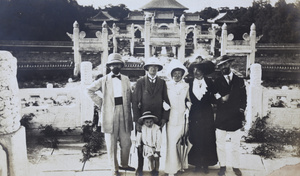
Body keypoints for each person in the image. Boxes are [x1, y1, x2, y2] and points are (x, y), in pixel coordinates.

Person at [86, 53, 135, 176]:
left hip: (124, 112)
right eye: (113, 64)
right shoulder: (104, 80)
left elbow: (131, 95)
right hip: (109, 113)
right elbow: (89, 90)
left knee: (126, 141)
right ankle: (114, 168)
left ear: (121, 65)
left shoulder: (126, 79)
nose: (115, 66)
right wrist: (102, 103)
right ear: (109, 66)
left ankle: (124, 164)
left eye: (117, 64)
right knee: (111, 142)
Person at [132, 56, 170, 176]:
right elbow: (134, 102)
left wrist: (164, 117)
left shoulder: (162, 82)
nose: (153, 69)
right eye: (151, 67)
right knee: (141, 144)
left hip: (157, 119)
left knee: (155, 143)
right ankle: (140, 167)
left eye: (155, 67)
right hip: (143, 119)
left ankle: (155, 168)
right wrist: (137, 121)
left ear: (158, 69)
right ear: (147, 68)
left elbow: (166, 101)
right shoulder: (140, 82)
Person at [214, 55, 247, 176]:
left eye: (225, 64)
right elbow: (213, 95)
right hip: (222, 116)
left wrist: (242, 109)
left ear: (230, 64)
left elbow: (244, 97)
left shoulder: (239, 80)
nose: (223, 67)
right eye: (221, 65)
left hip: (235, 117)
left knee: (235, 144)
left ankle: (236, 166)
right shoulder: (217, 81)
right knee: (220, 143)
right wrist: (221, 99)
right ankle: (222, 166)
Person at [187, 59, 218, 174]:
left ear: (203, 71)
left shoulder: (209, 82)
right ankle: (196, 163)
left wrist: (221, 101)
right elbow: (186, 97)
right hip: (194, 112)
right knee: (196, 137)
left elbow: (216, 94)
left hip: (206, 113)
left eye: (199, 70)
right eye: (194, 69)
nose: (196, 72)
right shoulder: (189, 82)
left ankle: (206, 164)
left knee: (207, 137)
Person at [164, 59, 191, 176]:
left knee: (182, 142)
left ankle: (182, 166)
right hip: (171, 117)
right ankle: (171, 169)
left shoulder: (186, 85)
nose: (177, 75)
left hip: (183, 118)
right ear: (171, 74)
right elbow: (162, 98)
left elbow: (189, 100)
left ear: (182, 73)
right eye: (174, 73)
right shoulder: (166, 85)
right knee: (171, 143)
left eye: (179, 73)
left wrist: (188, 108)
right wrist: (163, 104)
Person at [136, 111, 162, 176]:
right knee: (150, 159)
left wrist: (158, 149)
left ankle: (156, 170)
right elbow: (139, 136)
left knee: (156, 159)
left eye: (151, 122)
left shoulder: (156, 128)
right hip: (147, 147)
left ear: (153, 121)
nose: (149, 124)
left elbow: (159, 139)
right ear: (144, 122)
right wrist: (138, 144)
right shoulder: (142, 128)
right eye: (147, 122)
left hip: (155, 147)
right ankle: (152, 170)